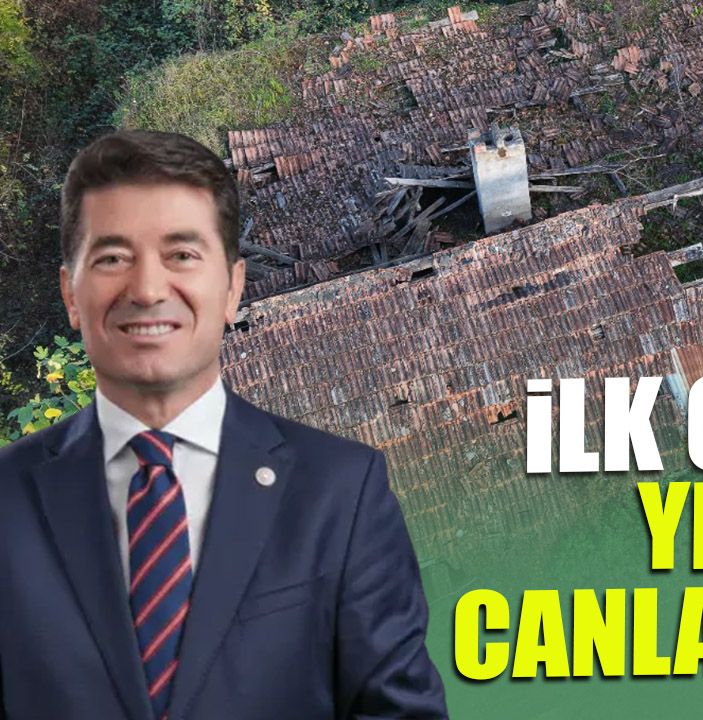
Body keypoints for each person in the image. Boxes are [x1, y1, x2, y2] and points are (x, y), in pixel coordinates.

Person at [0, 130, 448, 719]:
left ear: (233, 287)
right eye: (112, 258)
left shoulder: (340, 492)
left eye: (182, 255)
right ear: (70, 293)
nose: (147, 289)